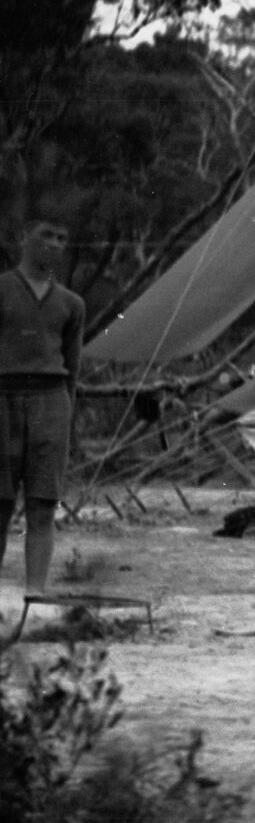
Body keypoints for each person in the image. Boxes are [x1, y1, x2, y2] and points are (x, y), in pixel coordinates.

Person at [0, 206, 84, 594]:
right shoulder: (3, 289)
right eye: (46, 235)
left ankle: (35, 593)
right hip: (3, 399)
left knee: (42, 502)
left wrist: (64, 414)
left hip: (51, 401)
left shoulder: (70, 304)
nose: (54, 244)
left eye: (62, 239)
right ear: (24, 237)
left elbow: (73, 364)